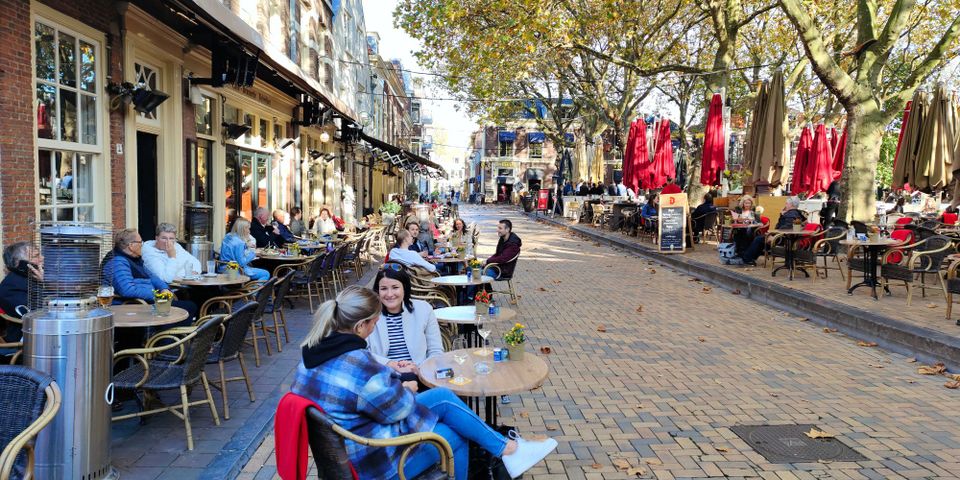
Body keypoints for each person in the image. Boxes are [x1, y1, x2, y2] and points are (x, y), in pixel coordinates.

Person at [289, 286, 556, 479]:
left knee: (443, 397)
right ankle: (507, 450)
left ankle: (508, 449)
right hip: (372, 460)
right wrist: (406, 388)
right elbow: (399, 409)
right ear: (360, 326)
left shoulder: (311, 355)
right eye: (374, 322)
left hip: (351, 443)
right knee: (454, 436)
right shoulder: (361, 365)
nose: (376, 326)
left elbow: (364, 399)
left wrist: (396, 386)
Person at [367, 268, 443, 386]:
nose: (389, 294)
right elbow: (362, 353)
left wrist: (421, 371)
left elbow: (436, 350)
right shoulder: (369, 315)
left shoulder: (423, 309)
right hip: (384, 377)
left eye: (395, 287)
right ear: (377, 291)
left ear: (405, 288)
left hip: (420, 373)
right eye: (383, 289)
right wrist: (390, 364)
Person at [104, 229, 198, 319]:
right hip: (133, 306)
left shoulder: (135, 258)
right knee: (188, 307)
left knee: (189, 303)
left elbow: (152, 277)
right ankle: (162, 334)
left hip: (146, 301)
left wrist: (164, 288)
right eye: (140, 242)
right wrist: (158, 295)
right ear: (131, 246)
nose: (143, 244)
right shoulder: (117, 262)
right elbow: (128, 290)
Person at [740, 197, 806, 265]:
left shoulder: (790, 214)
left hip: (783, 237)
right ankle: (750, 258)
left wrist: (772, 235)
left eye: (786, 203)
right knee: (761, 239)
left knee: (758, 239)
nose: (785, 205)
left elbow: (786, 228)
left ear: (791, 205)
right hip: (786, 237)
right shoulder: (797, 213)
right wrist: (782, 215)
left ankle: (746, 259)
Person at [0, 242, 44, 342]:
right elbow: (36, 314)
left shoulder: (31, 279)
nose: (42, 258)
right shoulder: (10, 287)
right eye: (36, 256)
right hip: (26, 338)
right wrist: (45, 284)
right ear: (18, 263)